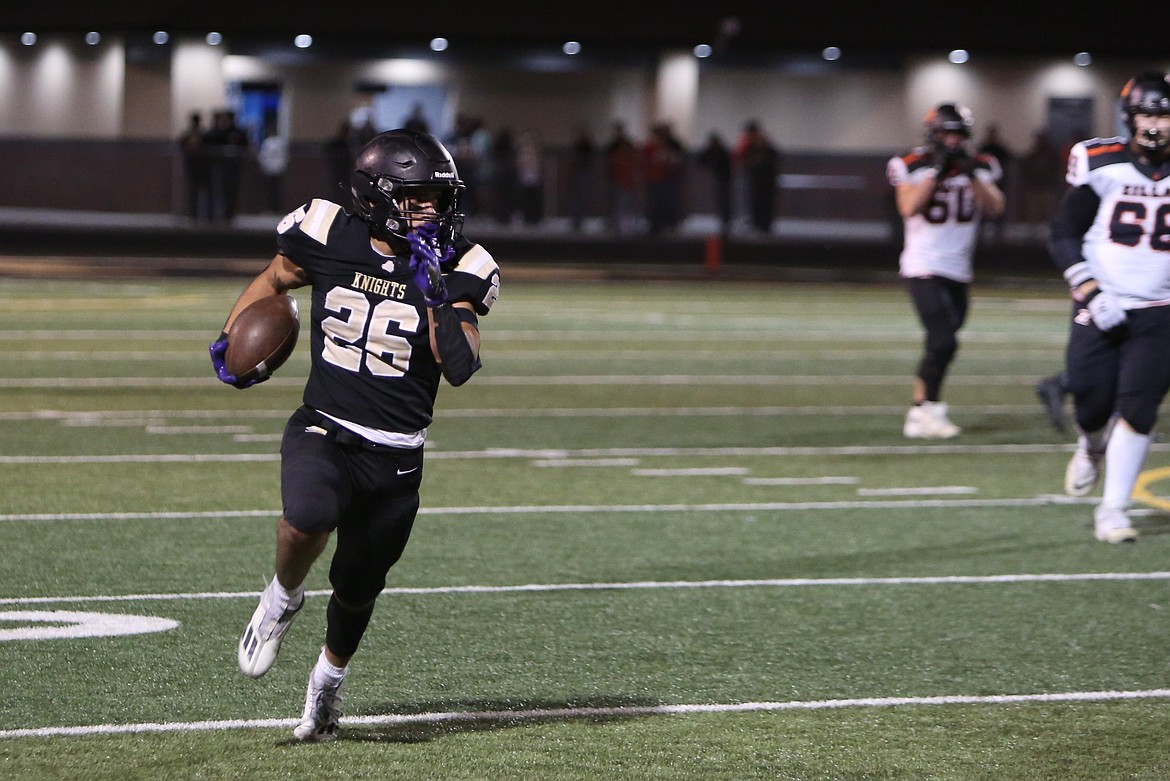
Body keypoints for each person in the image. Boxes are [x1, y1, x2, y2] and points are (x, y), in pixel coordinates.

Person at [208, 128, 501, 741]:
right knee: (305, 517)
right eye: (419, 198)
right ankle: (283, 595)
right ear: (378, 196)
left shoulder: (463, 263)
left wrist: (436, 296)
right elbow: (275, 279)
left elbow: (462, 367)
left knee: (358, 587)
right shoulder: (324, 228)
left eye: (440, 198)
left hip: (395, 452)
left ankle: (324, 690)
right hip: (326, 423)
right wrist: (233, 337)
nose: (434, 211)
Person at [1047, 71, 1170, 544]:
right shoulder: (1099, 161)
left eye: (1163, 114)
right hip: (1101, 302)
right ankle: (1091, 446)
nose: (1155, 124)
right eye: (1147, 113)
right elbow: (1062, 233)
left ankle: (1113, 510)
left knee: (1140, 408)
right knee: (1092, 402)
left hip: (1160, 308)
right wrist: (1091, 291)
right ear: (1129, 117)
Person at [886, 103, 1005, 438]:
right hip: (922, 265)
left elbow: (996, 206)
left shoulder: (981, 165)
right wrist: (936, 173)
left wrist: (969, 174)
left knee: (940, 345)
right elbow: (908, 207)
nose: (952, 141)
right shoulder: (912, 164)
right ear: (933, 134)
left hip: (959, 270)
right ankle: (931, 409)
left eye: (957, 134)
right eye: (945, 134)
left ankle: (918, 412)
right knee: (943, 340)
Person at [733, 120, 781, 234]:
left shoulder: (767, 147)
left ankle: (764, 226)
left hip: (767, 181)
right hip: (755, 180)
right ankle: (757, 224)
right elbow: (743, 160)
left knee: (765, 205)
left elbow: (770, 161)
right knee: (754, 203)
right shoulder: (750, 146)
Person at [179, 111, 210, 222]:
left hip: (202, 166)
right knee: (193, 191)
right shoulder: (188, 134)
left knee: (202, 190)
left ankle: (203, 214)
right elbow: (182, 146)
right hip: (192, 165)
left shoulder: (203, 134)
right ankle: (193, 213)